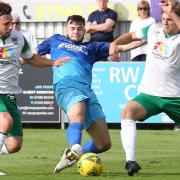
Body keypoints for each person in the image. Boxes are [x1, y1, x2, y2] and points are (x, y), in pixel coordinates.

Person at [36, 15, 119, 173]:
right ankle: (74, 149)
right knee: (78, 114)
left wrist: (117, 47)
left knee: (104, 143)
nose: (76, 31)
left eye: (80, 28)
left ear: (84, 30)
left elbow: (117, 47)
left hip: (88, 91)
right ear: (67, 29)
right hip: (66, 85)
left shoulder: (91, 47)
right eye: (72, 28)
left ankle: (74, 154)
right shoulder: (56, 40)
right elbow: (31, 55)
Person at [109, 0, 180, 176]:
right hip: (149, 94)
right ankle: (130, 161)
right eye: (163, 18)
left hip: (175, 96)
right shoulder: (154, 29)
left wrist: (172, 12)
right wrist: (114, 43)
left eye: (169, 19)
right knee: (127, 113)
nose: (165, 21)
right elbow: (132, 36)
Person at [0, 1, 69, 175]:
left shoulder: (18, 38)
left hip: (9, 93)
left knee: (15, 144)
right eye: (6, 23)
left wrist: (53, 62)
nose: (10, 26)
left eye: (11, 23)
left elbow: (31, 58)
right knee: (5, 121)